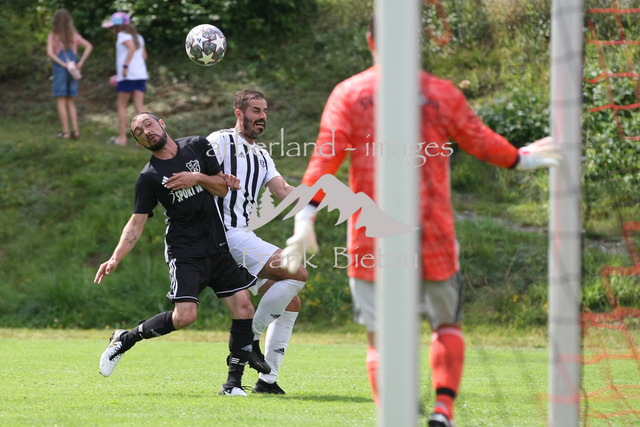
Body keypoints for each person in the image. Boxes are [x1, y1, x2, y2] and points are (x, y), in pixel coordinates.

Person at [283, 17, 559, 427]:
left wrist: (304, 218)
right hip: (432, 235)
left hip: (371, 237)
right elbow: (479, 140)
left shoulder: (349, 93)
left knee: (380, 340)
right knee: (445, 324)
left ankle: (393, 415)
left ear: (370, 40)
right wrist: (521, 159)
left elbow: (324, 161)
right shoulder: (439, 92)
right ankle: (443, 410)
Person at [94, 112, 271, 396]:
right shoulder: (149, 177)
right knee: (185, 316)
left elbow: (222, 188)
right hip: (185, 251)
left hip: (217, 246)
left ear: (162, 124)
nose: (146, 131)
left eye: (149, 124)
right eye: (139, 132)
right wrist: (115, 257)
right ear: (140, 143)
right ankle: (125, 340)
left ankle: (232, 385)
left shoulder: (198, 146)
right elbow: (136, 223)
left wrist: (196, 177)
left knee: (244, 308)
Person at [206, 90, 307, 394]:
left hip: (243, 235)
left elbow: (282, 191)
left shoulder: (262, 155)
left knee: (290, 302)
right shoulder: (219, 141)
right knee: (297, 271)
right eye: (255, 111)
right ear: (239, 113)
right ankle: (249, 338)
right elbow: (198, 176)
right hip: (225, 234)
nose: (262, 117)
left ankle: (267, 381)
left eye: (264, 111)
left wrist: (315, 199)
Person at [102, 12, 148, 146]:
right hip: (141, 75)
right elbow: (144, 56)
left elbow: (131, 48)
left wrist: (125, 67)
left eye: (113, 27)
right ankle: (149, 137)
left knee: (122, 106)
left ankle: (122, 138)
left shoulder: (122, 35)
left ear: (120, 26)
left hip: (127, 76)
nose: (112, 29)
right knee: (140, 107)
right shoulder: (138, 36)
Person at [46, 8, 93, 140]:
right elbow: (89, 46)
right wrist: (81, 62)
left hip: (60, 70)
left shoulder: (53, 35)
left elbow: (50, 53)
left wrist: (62, 64)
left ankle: (66, 132)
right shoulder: (74, 35)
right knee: (71, 101)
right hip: (73, 70)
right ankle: (76, 131)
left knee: (61, 100)